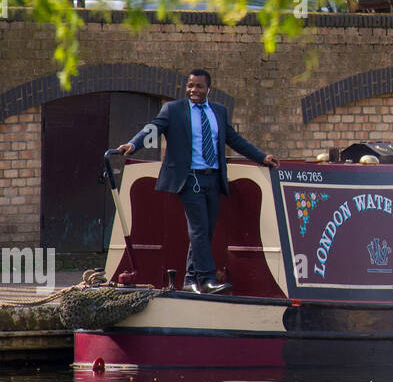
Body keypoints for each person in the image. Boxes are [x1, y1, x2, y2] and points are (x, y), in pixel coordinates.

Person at [117, 69, 279, 295]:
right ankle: (207, 278)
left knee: (205, 231)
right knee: (199, 229)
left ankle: (190, 280)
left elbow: (234, 139)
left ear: (208, 89)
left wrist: (261, 157)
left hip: (212, 178)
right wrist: (133, 144)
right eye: (190, 86)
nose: (193, 90)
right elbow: (152, 128)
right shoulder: (173, 110)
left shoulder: (219, 112)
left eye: (199, 87)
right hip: (188, 178)